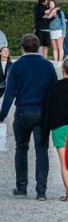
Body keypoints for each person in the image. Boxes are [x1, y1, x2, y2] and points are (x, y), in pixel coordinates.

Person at [0, 34, 58, 200]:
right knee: (42, 150)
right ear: (37, 47)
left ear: (22, 48)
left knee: (21, 148)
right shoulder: (48, 65)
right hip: (42, 113)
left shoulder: (16, 66)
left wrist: (1, 116)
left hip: (23, 111)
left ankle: (22, 187)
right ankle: (41, 191)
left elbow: (9, 94)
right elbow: (54, 92)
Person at [43, 59, 68, 201]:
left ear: (63, 70)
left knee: (65, 164)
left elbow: (48, 110)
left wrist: (45, 129)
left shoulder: (53, 87)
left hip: (60, 126)